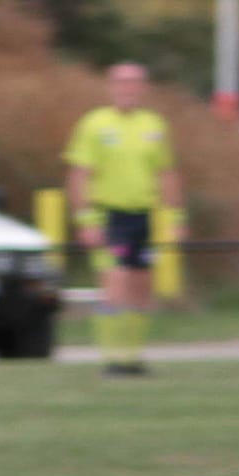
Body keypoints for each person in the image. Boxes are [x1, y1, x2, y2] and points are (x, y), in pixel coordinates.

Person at [63, 63, 186, 375]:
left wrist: (176, 215)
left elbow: (166, 172)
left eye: (134, 83)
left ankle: (133, 358)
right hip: (109, 216)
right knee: (115, 282)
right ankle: (112, 359)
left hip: (142, 216)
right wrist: (85, 219)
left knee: (142, 287)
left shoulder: (153, 125)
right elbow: (79, 174)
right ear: (110, 86)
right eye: (122, 83)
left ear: (143, 88)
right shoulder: (95, 124)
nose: (128, 89)